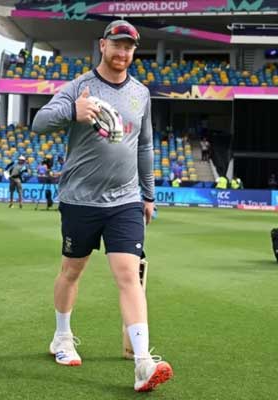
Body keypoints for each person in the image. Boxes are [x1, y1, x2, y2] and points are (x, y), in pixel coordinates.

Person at [31, 20, 172, 392]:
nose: (123, 53)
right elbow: (39, 122)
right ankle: (62, 337)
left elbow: (145, 146)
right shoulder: (79, 88)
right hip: (80, 198)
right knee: (72, 271)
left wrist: (148, 193)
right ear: (102, 46)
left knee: (128, 274)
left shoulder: (141, 93)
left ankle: (143, 361)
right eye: (117, 45)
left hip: (125, 200)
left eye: (129, 47)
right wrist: (72, 112)